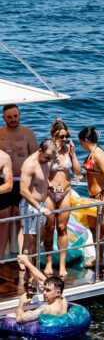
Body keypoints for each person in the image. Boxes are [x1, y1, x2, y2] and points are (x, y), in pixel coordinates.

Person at [43, 118, 82, 278]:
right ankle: (49, 262)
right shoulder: (47, 149)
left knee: (62, 228)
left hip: (65, 191)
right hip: (49, 193)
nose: (64, 139)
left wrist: (72, 154)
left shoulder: (68, 150)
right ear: (53, 136)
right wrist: (52, 155)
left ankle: (63, 264)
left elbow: (77, 172)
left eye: (66, 136)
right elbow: (41, 171)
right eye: (60, 136)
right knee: (49, 228)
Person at [78, 126, 104, 275]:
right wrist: (83, 176)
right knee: (95, 230)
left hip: (102, 196)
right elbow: (95, 172)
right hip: (92, 198)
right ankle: (99, 258)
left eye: (80, 142)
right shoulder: (91, 153)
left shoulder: (99, 154)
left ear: (85, 140)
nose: (80, 145)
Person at [0, 104, 38, 255]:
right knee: (4, 216)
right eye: (9, 117)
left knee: (20, 217)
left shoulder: (28, 134)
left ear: (19, 115)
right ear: (4, 118)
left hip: (23, 181)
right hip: (3, 181)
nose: (13, 119)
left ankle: (23, 256)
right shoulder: (0, 133)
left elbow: (36, 157)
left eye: (15, 116)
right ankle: (1, 255)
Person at [19, 139, 56, 265]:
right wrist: (39, 208)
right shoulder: (30, 164)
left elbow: (41, 179)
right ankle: (28, 274)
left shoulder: (44, 161)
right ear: (40, 150)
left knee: (38, 240)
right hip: (30, 205)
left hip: (41, 205)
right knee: (29, 241)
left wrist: (48, 186)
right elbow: (23, 191)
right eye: (47, 157)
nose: (48, 160)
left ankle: (32, 272)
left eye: (50, 158)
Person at [16, 253, 68, 321]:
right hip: (56, 326)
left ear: (57, 292)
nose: (44, 293)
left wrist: (21, 303)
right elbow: (42, 280)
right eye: (44, 289)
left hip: (45, 328)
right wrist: (27, 263)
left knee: (10, 315)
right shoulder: (63, 301)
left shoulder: (45, 309)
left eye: (48, 290)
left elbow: (19, 319)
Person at [0, 146, 13, 261]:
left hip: (2, 197)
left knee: (4, 220)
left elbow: (9, 185)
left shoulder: (4, 157)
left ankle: (1, 256)